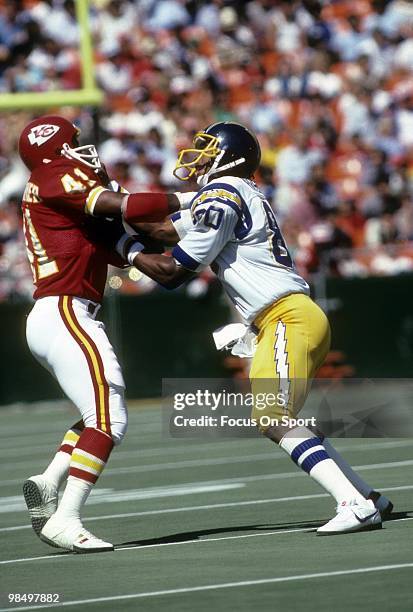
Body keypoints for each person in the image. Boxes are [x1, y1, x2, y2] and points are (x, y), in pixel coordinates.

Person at [120, 121, 393, 535]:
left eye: (209, 148)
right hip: (289, 316)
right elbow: (161, 230)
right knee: (283, 416)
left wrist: (121, 245)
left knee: (271, 414)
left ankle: (353, 504)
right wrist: (111, 218)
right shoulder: (235, 193)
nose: (201, 156)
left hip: (285, 316)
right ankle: (367, 495)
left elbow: (173, 270)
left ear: (231, 154)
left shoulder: (223, 192)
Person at [19, 115, 181, 552]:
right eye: (74, 142)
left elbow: (156, 256)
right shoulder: (54, 176)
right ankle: (66, 520)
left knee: (99, 412)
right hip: (67, 311)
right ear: (56, 151)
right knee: (111, 419)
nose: (84, 149)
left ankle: (50, 481)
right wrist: (191, 197)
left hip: (56, 314)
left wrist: (204, 227)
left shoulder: (73, 214)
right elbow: (126, 207)